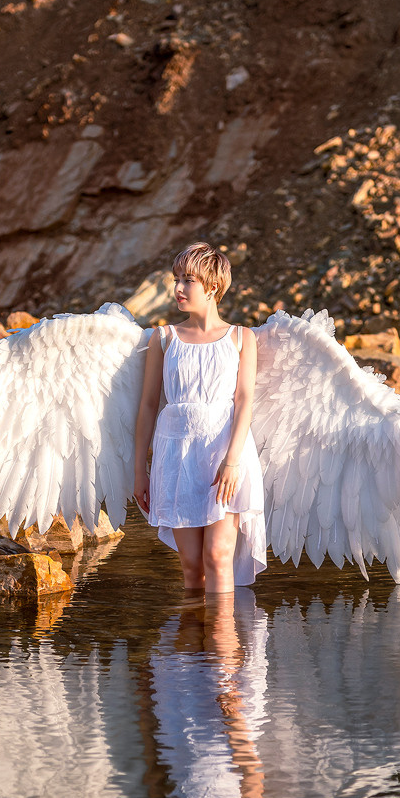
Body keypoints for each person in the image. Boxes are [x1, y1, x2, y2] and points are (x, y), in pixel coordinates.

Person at [133, 242, 267, 594]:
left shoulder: (241, 337)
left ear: (212, 286)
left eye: (187, 279)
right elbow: (148, 405)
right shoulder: (163, 337)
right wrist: (138, 471)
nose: (177, 288)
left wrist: (232, 462)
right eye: (176, 278)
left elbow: (244, 400)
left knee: (217, 556)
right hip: (176, 458)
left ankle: (221, 647)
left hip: (225, 456)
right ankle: (193, 644)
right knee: (192, 567)